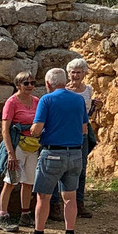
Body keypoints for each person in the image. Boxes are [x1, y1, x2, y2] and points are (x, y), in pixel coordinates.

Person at [23, 68, 88, 234]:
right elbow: (84, 129)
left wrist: (35, 131)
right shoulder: (78, 100)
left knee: (43, 197)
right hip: (75, 154)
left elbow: (37, 129)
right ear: (65, 81)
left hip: (52, 153)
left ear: (48, 83)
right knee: (70, 198)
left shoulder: (47, 100)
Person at [49, 58, 99, 220]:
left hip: (82, 133)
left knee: (81, 169)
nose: (75, 75)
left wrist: (94, 106)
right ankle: (56, 205)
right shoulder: (64, 90)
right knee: (59, 169)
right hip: (65, 132)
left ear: (84, 73)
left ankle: (79, 202)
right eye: (72, 72)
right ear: (68, 74)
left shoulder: (88, 90)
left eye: (79, 72)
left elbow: (86, 114)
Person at [0, 71, 40, 232]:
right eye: (26, 83)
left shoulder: (36, 101)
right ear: (18, 85)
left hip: (32, 145)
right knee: (11, 181)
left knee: (29, 181)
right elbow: (5, 130)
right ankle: (2, 216)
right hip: (17, 145)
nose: (30, 86)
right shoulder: (11, 102)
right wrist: (10, 153)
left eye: (32, 83)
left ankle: (25, 214)